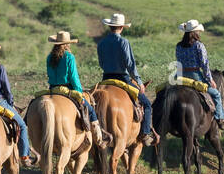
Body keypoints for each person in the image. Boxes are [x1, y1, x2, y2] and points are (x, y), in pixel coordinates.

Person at [96, 13, 157, 145]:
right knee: (146, 104)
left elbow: (101, 63)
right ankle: (145, 134)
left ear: (110, 27)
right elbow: (130, 65)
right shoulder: (124, 42)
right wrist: (139, 82)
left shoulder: (102, 43)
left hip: (106, 78)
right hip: (123, 79)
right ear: (122, 27)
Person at [45, 30, 108, 148]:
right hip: (67, 89)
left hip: (52, 89)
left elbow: (49, 75)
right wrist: (79, 93)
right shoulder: (69, 57)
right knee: (90, 110)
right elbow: (74, 78)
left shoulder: (49, 57)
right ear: (67, 44)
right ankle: (99, 139)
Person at [174, 19, 224, 128]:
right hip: (195, 76)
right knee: (216, 94)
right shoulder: (198, 45)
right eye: (198, 31)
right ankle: (220, 118)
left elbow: (178, 63)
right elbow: (204, 64)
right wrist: (210, 79)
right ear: (194, 32)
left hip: (180, 76)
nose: (199, 33)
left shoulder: (179, 46)